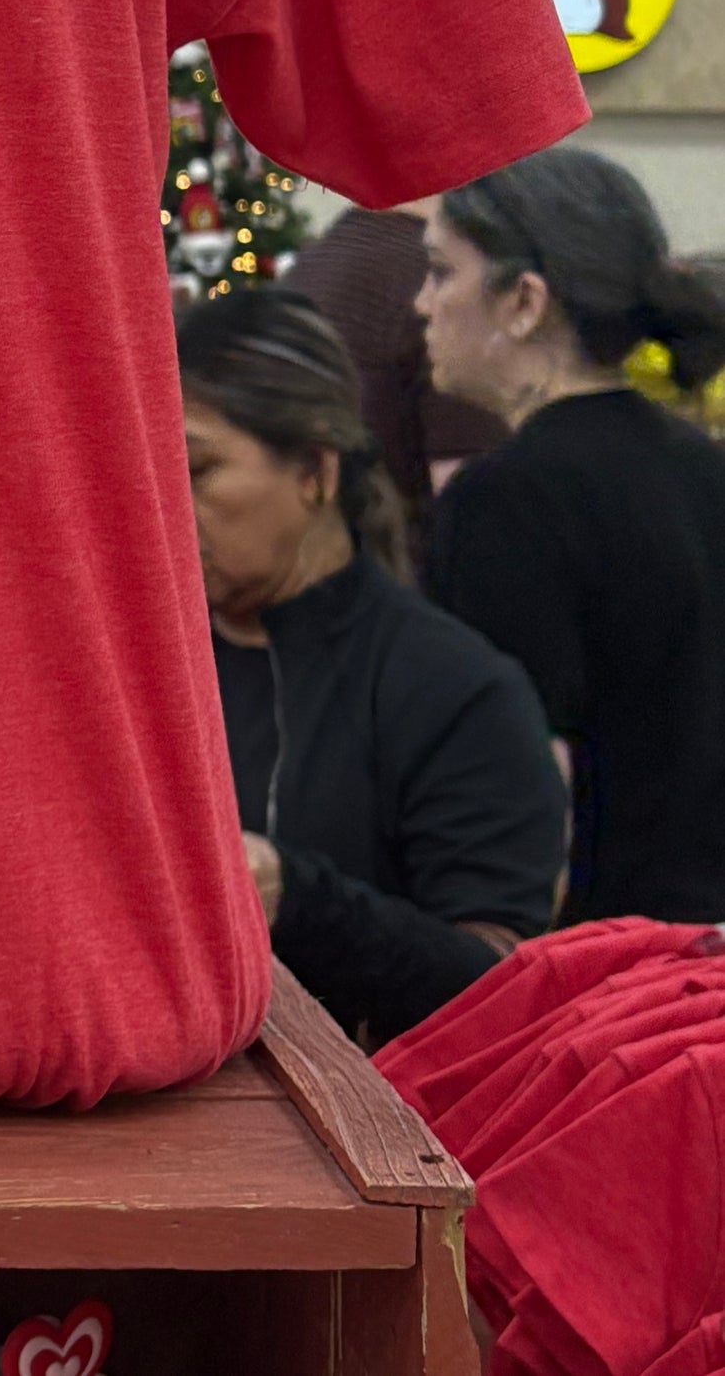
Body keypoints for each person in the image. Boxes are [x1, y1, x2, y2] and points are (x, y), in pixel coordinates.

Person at [179, 287, 565, 1046]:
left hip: (380, 1110)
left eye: (195, 469)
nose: (160, 503)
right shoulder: (151, 678)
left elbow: (502, 987)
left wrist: (296, 898)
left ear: (315, 473)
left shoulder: (458, 690)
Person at [420, 146, 725, 923]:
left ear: (524, 301)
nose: (422, 304)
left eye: (441, 272)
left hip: (602, 948)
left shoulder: (503, 501)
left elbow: (507, 785)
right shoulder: (704, 464)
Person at [287, 201, 508, 559]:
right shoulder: (440, 271)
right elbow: (475, 507)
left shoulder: (313, 263)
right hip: (407, 570)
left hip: (326, 565)